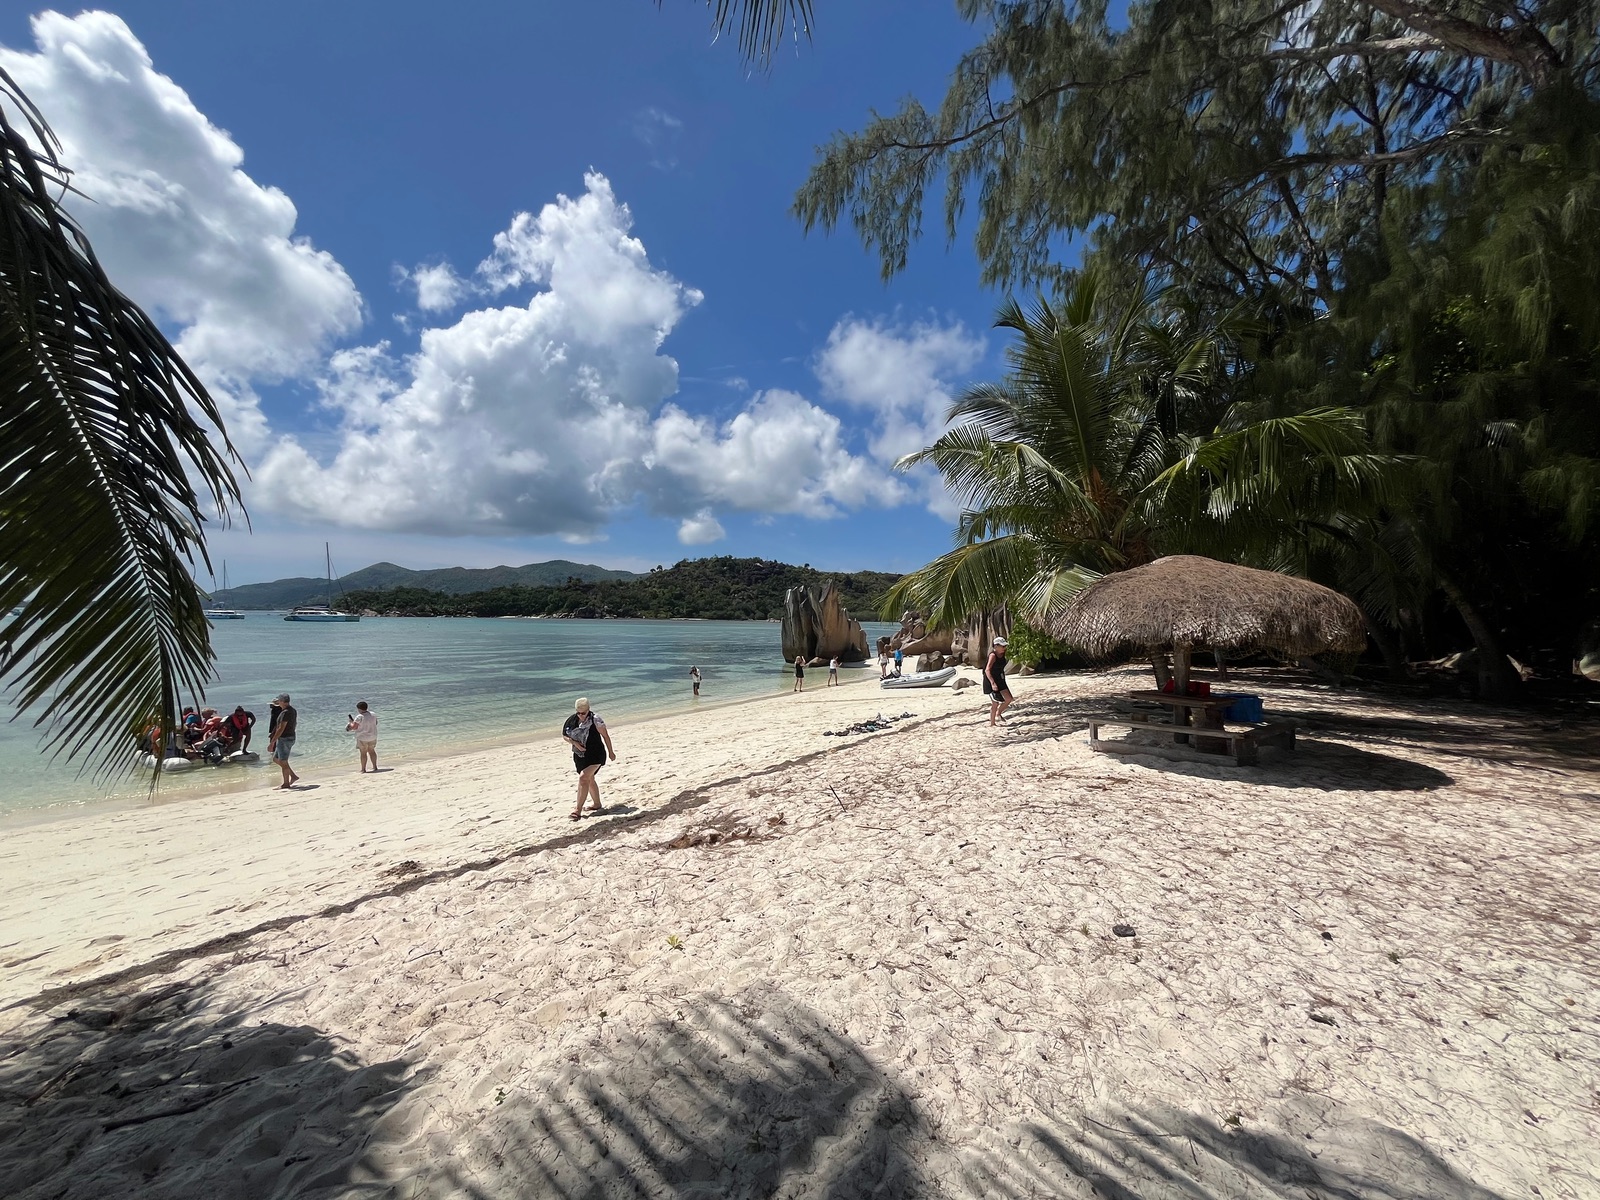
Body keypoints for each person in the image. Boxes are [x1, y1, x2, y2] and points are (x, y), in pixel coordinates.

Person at [562, 697, 615, 820]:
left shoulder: (596, 720)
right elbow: (564, 735)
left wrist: (611, 752)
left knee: (583, 778)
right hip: (580, 756)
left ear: (588, 710)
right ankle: (597, 804)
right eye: (578, 713)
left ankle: (577, 810)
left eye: (583, 713)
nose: (581, 716)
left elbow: (605, 736)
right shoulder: (572, 720)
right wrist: (574, 743)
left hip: (596, 755)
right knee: (590, 779)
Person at [268, 692, 300, 789]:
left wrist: (272, 742)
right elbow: (294, 723)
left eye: (279, 700)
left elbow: (281, 728)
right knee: (276, 759)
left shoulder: (286, 712)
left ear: (282, 701)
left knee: (283, 761)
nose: (278, 702)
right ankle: (293, 776)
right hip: (288, 737)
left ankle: (286, 784)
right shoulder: (292, 710)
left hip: (285, 738)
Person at [984, 636, 1014, 726]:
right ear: (996, 646)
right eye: (1002, 646)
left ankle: (998, 713)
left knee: (1008, 699)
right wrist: (993, 683)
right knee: (995, 703)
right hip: (991, 680)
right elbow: (987, 670)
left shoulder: (1003, 654)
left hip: (1000, 679)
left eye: (1005, 646)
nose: (1004, 648)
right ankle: (992, 723)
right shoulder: (993, 655)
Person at [346, 700, 378, 773]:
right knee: (372, 751)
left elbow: (354, 727)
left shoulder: (359, 717)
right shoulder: (373, 714)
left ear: (359, 709)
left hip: (362, 737)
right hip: (373, 736)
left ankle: (363, 769)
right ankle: (375, 766)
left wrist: (350, 723)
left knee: (363, 753)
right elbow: (376, 723)